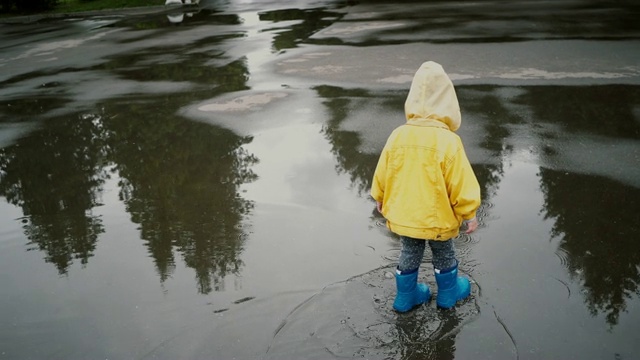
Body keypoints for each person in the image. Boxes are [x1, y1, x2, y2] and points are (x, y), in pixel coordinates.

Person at [371, 61, 481, 312]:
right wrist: (469, 212)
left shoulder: (398, 134)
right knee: (443, 253)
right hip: (438, 219)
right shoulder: (449, 141)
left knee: (409, 251)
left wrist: (380, 195)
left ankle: (405, 297)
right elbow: (461, 182)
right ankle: (448, 294)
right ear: (448, 102)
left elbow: (383, 170)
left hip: (406, 216)